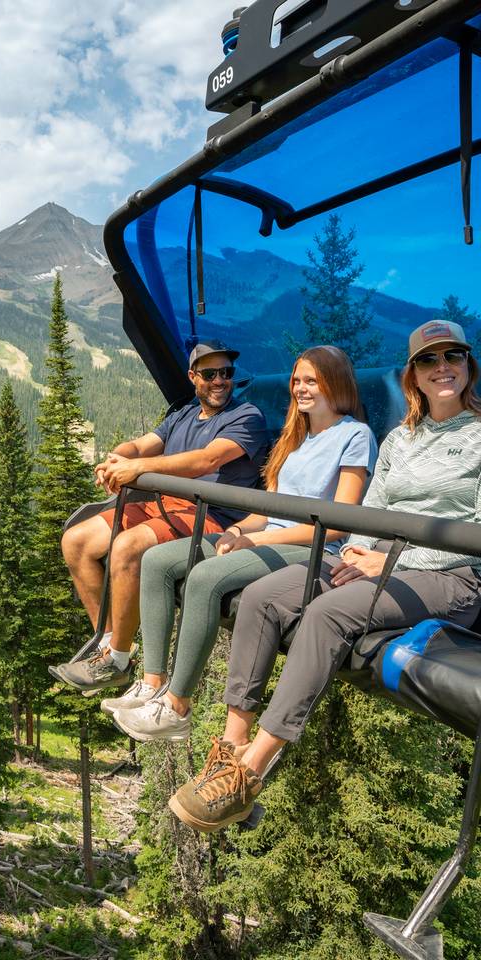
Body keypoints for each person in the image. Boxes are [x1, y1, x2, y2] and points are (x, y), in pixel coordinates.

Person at [167, 320, 481, 833]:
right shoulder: (400, 439)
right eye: (429, 360)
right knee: (265, 596)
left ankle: (250, 772)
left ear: (469, 367)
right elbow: (371, 510)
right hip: (374, 556)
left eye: (454, 357)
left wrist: (393, 562)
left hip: (451, 573)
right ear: (414, 377)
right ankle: (231, 745)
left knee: (328, 612)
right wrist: (358, 550)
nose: (442, 367)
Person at [107, 345, 377, 740]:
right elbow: (265, 509)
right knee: (158, 561)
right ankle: (152, 682)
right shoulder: (293, 438)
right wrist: (239, 531)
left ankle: (177, 706)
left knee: (205, 578)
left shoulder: (354, 435)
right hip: (267, 535)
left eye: (312, 381)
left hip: (311, 547)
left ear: (335, 383)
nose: (302, 389)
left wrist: (254, 541)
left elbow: (336, 524)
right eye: (297, 381)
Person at [54, 339, 269, 692]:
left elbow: (206, 461)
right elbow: (140, 445)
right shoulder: (183, 414)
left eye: (226, 373)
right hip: (165, 507)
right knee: (76, 541)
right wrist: (116, 459)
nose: (220, 381)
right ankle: (109, 644)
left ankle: (117, 661)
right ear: (192, 377)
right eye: (210, 373)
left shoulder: (246, 418)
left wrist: (136, 468)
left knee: (127, 546)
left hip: (209, 516)